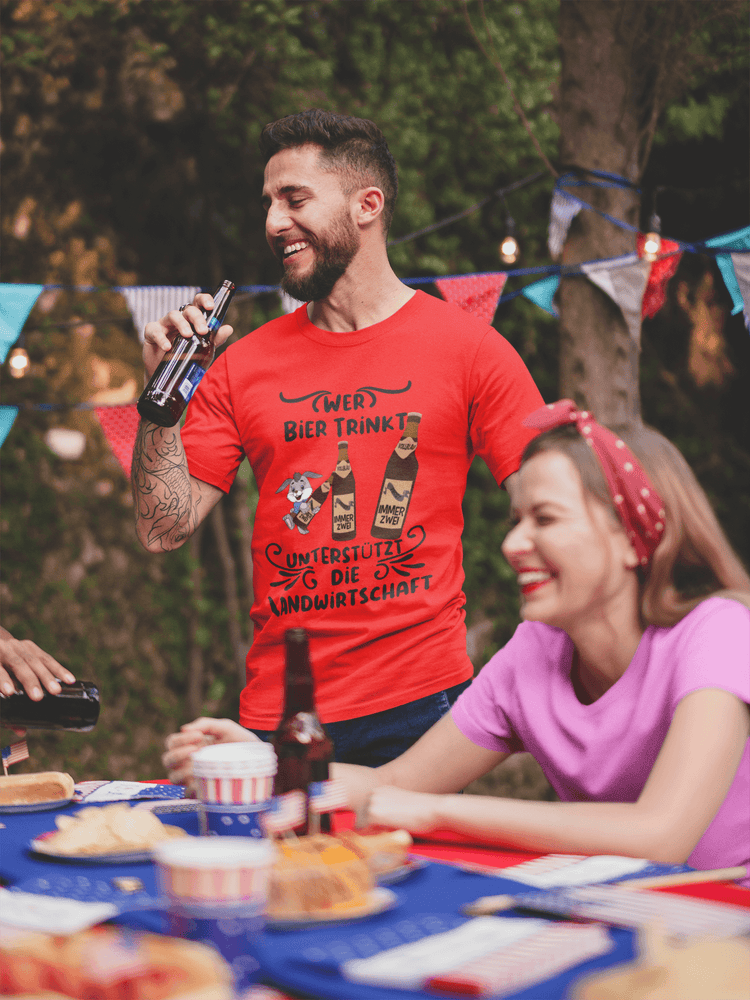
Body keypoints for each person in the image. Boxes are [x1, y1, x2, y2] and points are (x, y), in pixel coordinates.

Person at [139, 109, 543, 768]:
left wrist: (526, 673)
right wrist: (162, 406)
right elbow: (163, 526)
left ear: (367, 204)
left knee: (402, 874)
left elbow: (554, 509)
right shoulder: (241, 363)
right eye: (268, 203)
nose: (273, 221)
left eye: (294, 199)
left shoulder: (471, 350)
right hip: (277, 711)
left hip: (423, 706)